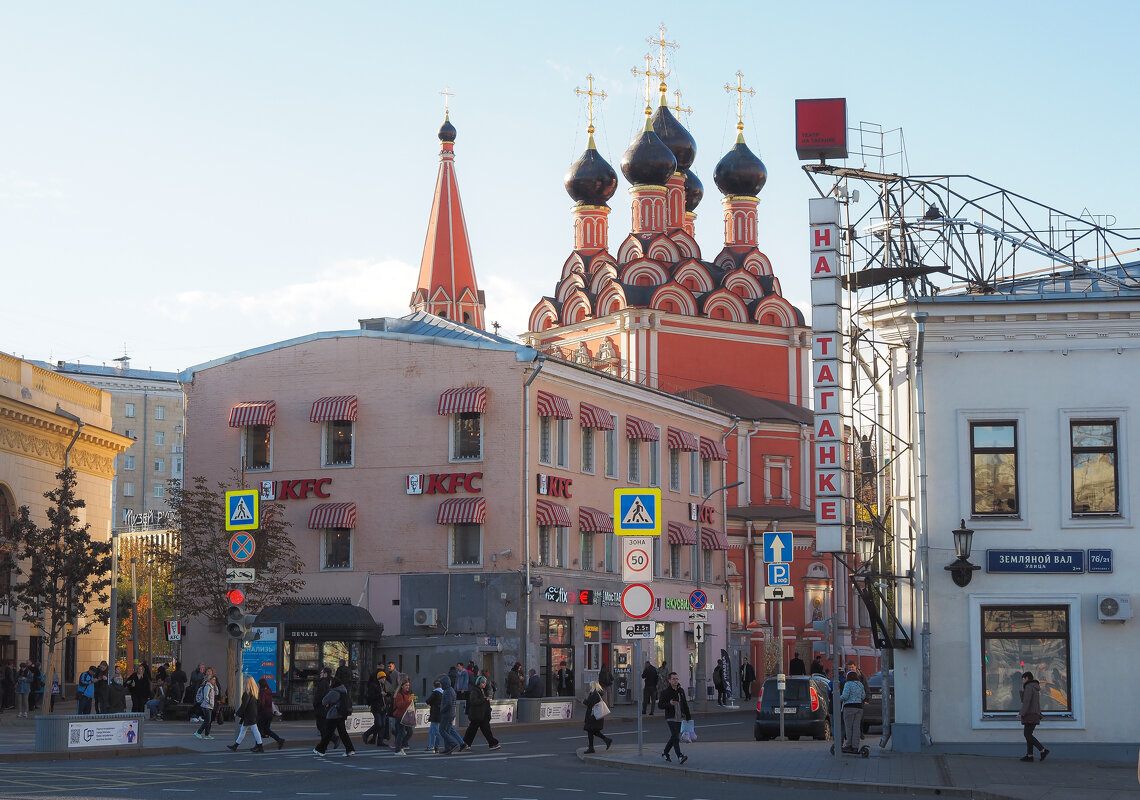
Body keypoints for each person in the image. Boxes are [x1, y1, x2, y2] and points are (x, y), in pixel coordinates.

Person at [313, 676, 355, 757]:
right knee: (343, 733)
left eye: (331, 682)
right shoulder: (344, 691)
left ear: (334, 683)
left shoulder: (333, 692)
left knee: (328, 733)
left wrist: (328, 703)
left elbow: (324, 701)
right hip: (342, 714)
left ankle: (320, 750)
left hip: (333, 715)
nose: (330, 683)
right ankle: (350, 749)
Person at [226, 675, 265, 753]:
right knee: (243, 730)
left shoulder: (246, 694)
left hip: (249, 715)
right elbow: (258, 703)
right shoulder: (255, 693)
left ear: (246, 683)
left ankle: (260, 746)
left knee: (254, 730)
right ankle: (235, 746)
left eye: (244, 682)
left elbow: (244, 705)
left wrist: (237, 713)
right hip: (253, 713)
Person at [658, 671, 690, 764]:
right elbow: (660, 705)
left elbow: (685, 704)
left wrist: (688, 717)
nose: (675, 681)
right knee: (676, 736)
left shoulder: (681, 691)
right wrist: (669, 704)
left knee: (674, 737)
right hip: (671, 717)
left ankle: (665, 753)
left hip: (680, 717)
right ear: (669, 680)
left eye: (676, 679)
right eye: (673, 679)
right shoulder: (665, 692)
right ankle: (680, 756)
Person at [462, 675, 501, 750]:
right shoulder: (475, 690)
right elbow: (473, 701)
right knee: (472, 730)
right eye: (483, 683)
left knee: (485, 730)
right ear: (479, 683)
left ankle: (492, 743)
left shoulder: (484, 690)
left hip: (482, 715)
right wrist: (483, 699)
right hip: (477, 714)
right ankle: (466, 744)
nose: (484, 684)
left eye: (485, 683)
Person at [1018, 671, 1049, 762]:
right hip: (1034, 713)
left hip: (1030, 714)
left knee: (1027, 734)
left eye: (1023, 679)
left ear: (1027, 678)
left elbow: (1026, 701)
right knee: (1028, 735)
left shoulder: (1029, 687)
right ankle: (1030, 755)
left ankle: (1042, 750)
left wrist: (1021, 713)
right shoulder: (1034, 687)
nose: (1022, 681)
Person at [581, 680, 613, 753]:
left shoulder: (595, 694)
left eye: (589, 685)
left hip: (594, 716)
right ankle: (606, 740)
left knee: (590, 730)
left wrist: (583, 701)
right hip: (595, 715)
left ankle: (592, 748)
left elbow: (590, 704)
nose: (588, 687)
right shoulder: (594, 693)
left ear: (593, 686)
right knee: (593, 730)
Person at [312, 667, 340, 750]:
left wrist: (316, 703)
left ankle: (333, 739)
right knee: (323, 726)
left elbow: (320, 695)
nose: (320, 674)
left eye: (321, 673)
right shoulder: (329, 681)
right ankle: (324, 744)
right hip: (325, 707)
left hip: (321, 707)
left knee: (322, 726)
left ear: (325, 674)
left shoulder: (323, 682)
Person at [436, 674, 465, 754]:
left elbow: (448, 703)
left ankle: (453, 744)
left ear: (445, 683)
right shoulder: (451, 689)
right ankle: (448, 749)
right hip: (451, 713)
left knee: (442, 730)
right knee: (447, 731)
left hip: (447, 714)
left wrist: (442, 709)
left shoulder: (447, 691)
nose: (441, 685)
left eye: (441, 683)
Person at [840, 670, 866, 753]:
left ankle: (848, 745)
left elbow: (845, 696)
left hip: (849, 707)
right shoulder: (860, 684)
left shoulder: (848, 684)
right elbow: (863, 696)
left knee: (849, 728)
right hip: (859, 708)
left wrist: (837, 697)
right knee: (856, 728)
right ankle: (855, 746)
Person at [256, 676, 286, 749]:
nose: (258, 685)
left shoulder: (262, 692)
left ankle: (258, 746)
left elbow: (262, 704)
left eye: (258, 684)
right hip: (269, 713)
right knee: (266, 730)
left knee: (259, 730)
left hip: (263, 713)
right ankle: (279, 740)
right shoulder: (268, 691)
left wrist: (258, 709)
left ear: (261, 685)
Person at [362, 670, 389, 747]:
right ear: (379, 678)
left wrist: (387, 694)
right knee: (379, 724)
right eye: (383, 678)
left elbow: (387, 694)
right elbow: (371, 696)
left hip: (383, 707)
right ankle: (366, 734)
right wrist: (380, 695)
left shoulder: (383, 685)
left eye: (385, 678)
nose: (384, 680)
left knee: (382, 724)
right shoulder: (373, 685)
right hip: (376, 707)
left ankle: (380, 741)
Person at [392, 677, 416, 755]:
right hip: (400, 716)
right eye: (406, 685)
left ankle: (401, 746)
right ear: (402, 686)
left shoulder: (408, 694)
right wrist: (408, 701)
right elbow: (400, 705)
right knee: (401, 732)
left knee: (410, 732)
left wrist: (413, 701)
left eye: (408, 685)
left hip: (407, 715)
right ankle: (398, 749)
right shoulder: (399, 695)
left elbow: (409, 705)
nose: (407, 687)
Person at [194, 674, 218, 740]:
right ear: (209, 680)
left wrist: (215, 686)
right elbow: (206, 696)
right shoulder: (207, 686)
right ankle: (198, 732)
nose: (214, 681)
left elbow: (217, 693)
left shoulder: (212, 687)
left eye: (215, 680)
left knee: (209, 721)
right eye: (213, 679)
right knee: (208, 720)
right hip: (206, 706)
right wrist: (210, 703)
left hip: (210, 706)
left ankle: (207, 734)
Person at [425, 679, 443, 752]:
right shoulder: (443, 692)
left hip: (435, 714)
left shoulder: (435, 693)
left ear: (434, 686)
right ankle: (435, 746)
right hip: (441, 714)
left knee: (434, 731)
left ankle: (447, 742)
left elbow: (428, 701)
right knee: (433, 731)